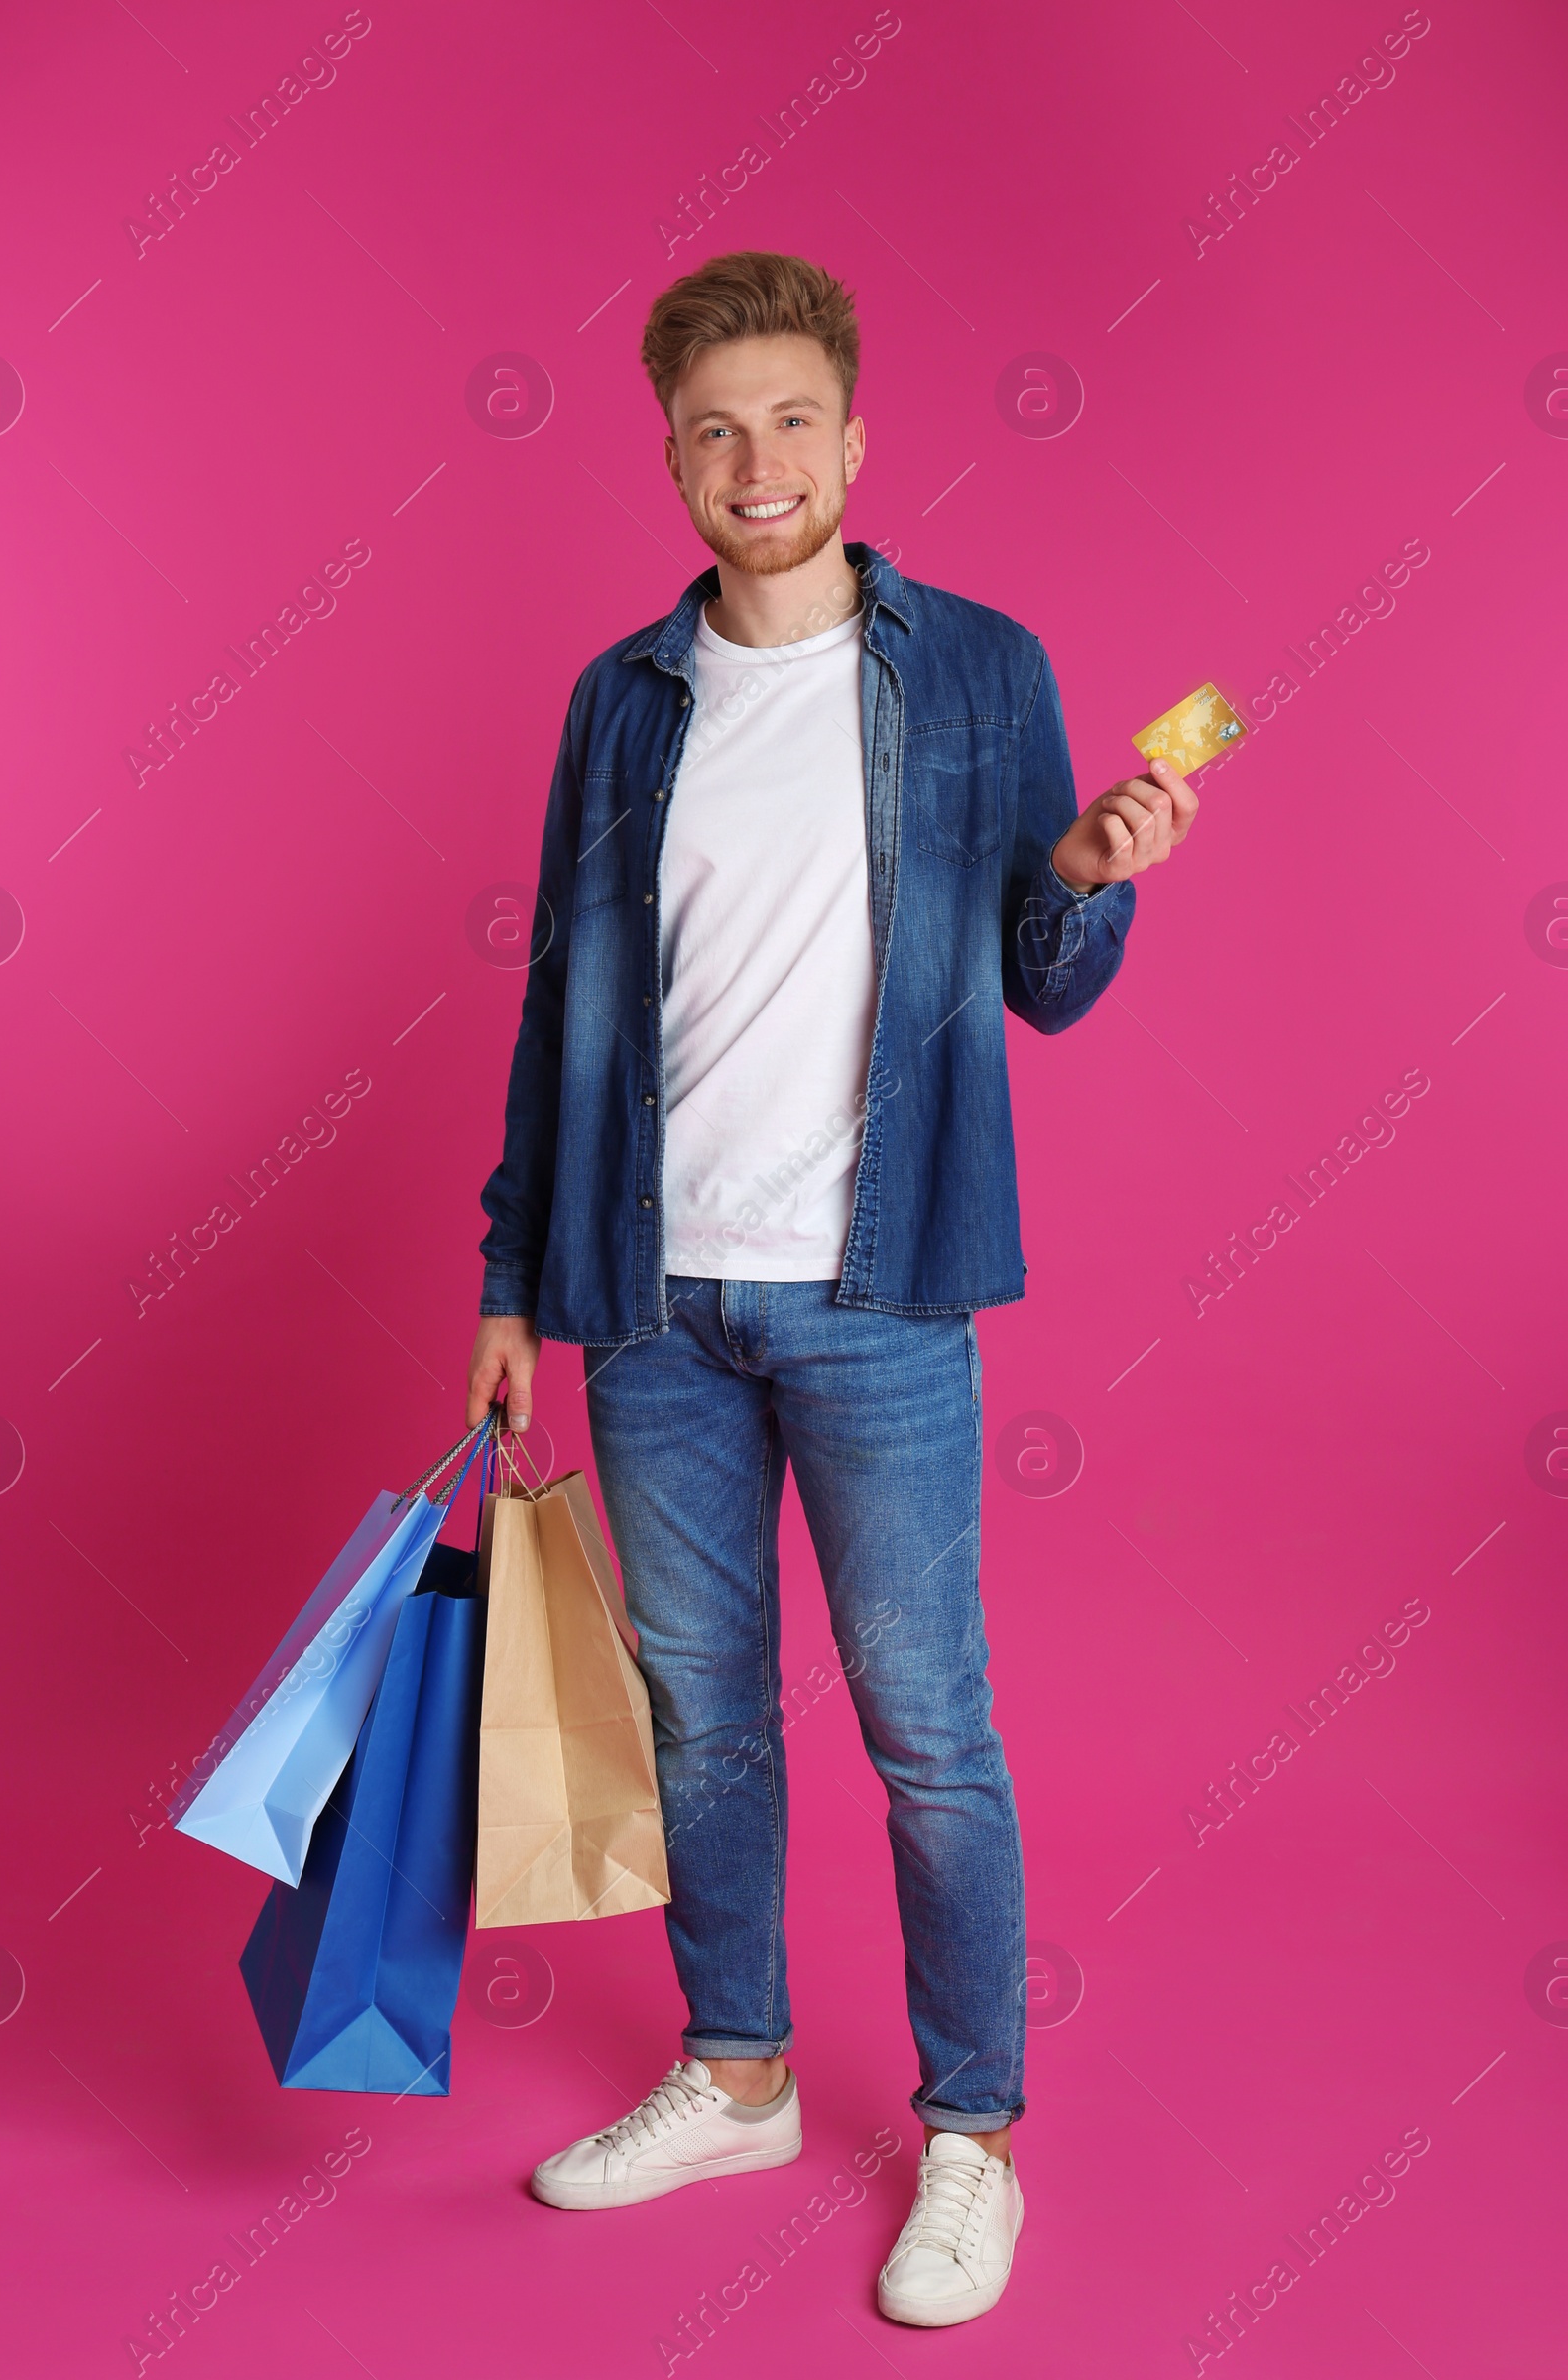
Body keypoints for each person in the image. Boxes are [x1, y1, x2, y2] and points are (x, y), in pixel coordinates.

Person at [465, 250, 1196, 2328]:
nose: (752, 460)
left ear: (854, 441)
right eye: (711, 429)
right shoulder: (620, 699)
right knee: (705, 1724)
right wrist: (514, 1274)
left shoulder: (977, 671)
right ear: (672, 461)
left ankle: (969, 2133)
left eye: (788, 419)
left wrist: (1079, 883)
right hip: (650, 1296)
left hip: (876, 1297)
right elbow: (556, 1009)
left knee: (923, 1727)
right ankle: (739, 2071)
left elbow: (1032, 999)